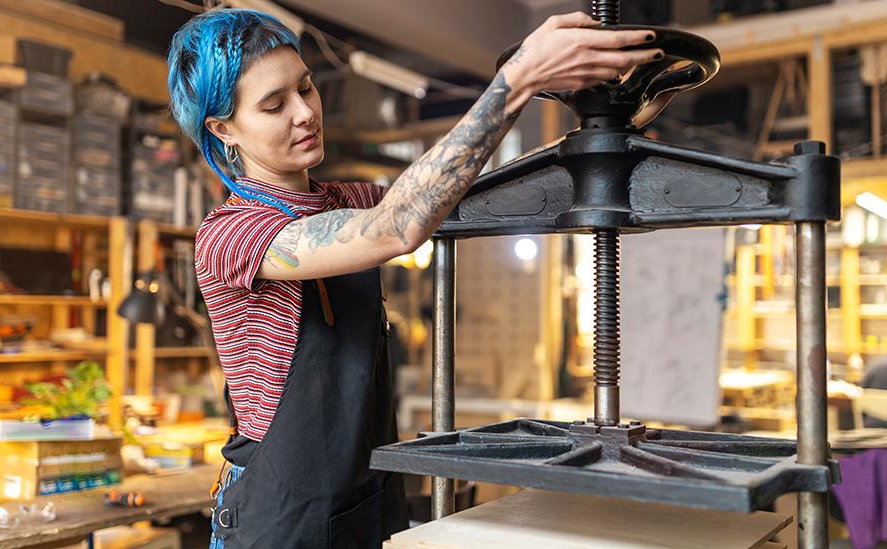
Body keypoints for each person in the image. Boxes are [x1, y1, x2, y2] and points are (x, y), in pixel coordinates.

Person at [168, 8, 664, 548]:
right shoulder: (230, 235)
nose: (305, 113)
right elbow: (395, 228)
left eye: (306, 88)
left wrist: (607, 126)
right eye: (273, 105)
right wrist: (518, 78)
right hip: (278, 517)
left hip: (362, 501)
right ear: (223, 130)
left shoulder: (341, 201)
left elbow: (443, 193)